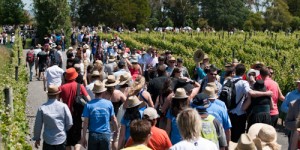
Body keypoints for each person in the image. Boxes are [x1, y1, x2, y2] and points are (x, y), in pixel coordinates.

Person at [228, 64, 273, 142]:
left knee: (249, 138)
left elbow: (244, 107)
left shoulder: (228, 81)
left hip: (253, 118)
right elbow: (272, 107)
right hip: (266, 118)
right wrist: (267, 94)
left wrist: (249, 98)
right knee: (264, 137)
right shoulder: (267, 94)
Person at [59, 68, 91, 150]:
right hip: (77, 115)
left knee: (68, 142)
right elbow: (89, 99)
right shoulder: (80, 86)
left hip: (66, 116)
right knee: (77, 141)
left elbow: (57, 102)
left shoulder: (62, 87)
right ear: (75, 76)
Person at [80, 81, 118, 150]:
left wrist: (83, 137)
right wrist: (116, 130)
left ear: (94, 92)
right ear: (103, 92)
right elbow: (114, 119)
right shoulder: (109, 104)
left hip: (93, 135)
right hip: (105, 134)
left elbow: (85, 123)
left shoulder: (89, 105)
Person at [32, 85, 73, 149]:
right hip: (61, 138)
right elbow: (70, 122)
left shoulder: (42, 108)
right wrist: (63, 129)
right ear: (57, 95)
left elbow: (38, 125)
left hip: (48, 139)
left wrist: (37, 138)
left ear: (48, 95)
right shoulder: (63, 106)